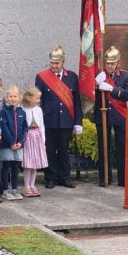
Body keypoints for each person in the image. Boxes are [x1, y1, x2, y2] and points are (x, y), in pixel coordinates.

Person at [35, 45, 83, 189]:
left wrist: (77, 123)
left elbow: (76, 102)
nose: (54, 66)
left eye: (57, 63)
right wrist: (39, 122)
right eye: (52, 63)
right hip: (49, 121)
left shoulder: (72, 77)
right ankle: (50, 177)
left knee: (64, 150)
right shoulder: (42, 77)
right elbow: (39, 102)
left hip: (66, 121)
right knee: (50, 150)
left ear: (63, 62)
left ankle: (64, 177)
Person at [94, 46, 128, 187]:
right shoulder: (99, 75)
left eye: (112, 63)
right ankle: (105, 177)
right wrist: (96, 83)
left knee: (121, 147)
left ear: (118, 62)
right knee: (103, 147)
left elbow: (127, 95)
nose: (109, 66)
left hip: (119, 115)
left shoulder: (125, 76)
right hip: (102, 115)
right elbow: (88, 93)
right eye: (107, 63)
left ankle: (123, 179)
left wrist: (111, 89)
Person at [0, 85, 27, 201]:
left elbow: (25, 128)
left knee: (15, 167)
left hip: (18, 146)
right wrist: (11, 142)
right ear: (7, 97)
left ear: (19, 97)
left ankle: (15, 190)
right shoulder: (4, 111)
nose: (13, 98)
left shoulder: (22, 112)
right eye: (11, 96)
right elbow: (4, 128)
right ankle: (5, 190)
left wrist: (20, 142)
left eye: (15, 96)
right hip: (7, 145)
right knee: (6, 167)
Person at [21, 86, 48, 197]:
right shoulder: (22, 109)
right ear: (29, 98)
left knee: (35, 164)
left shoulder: (39, 110)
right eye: (36, 98)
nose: (38, 100)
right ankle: (26, 186)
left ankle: (32, 185)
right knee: (28, 164)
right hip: (28, 137)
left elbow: (41, 126)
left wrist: (43, 141)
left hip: (37, 138)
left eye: (39, 98)